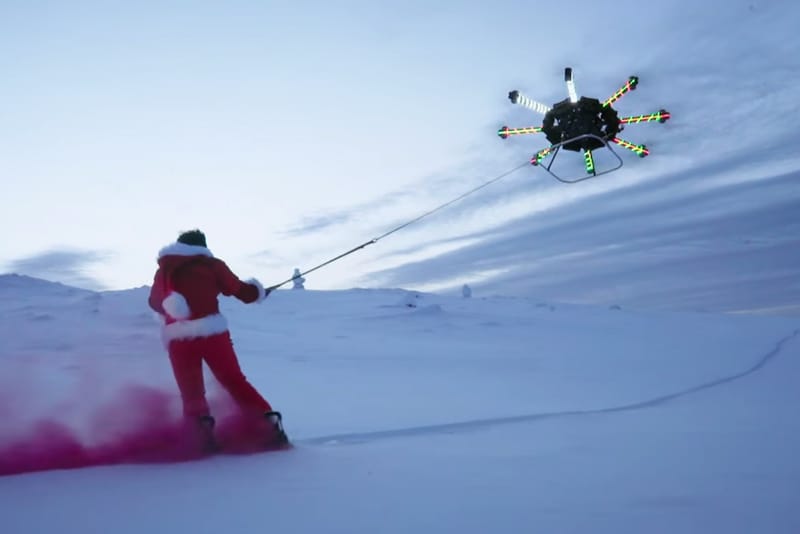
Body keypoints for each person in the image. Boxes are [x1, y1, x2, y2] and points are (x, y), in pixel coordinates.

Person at [148, 229, 287, 450]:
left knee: (191, 391)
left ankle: (200, 436)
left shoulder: (164, 270)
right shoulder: (212, 265)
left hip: (178, 339)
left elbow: (155, 302)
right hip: (213, 334)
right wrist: (259, 292)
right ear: (203, 246)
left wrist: (175, 307)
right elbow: (240, 290)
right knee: (233, 380)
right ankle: (266, 425)